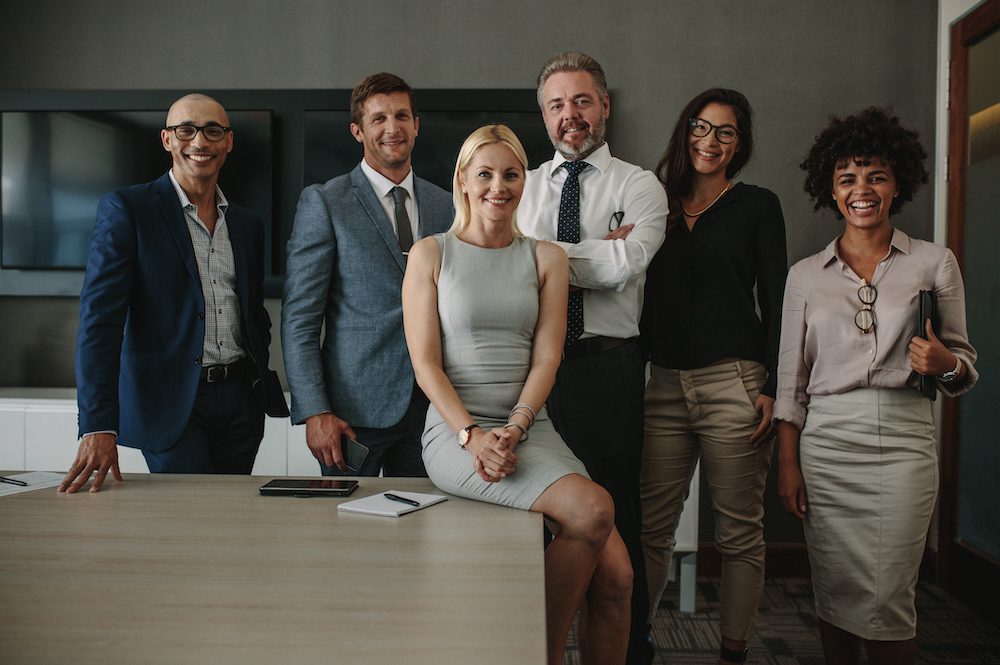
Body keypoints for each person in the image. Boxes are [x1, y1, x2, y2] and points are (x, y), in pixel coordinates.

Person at [403, 124, 633, 665]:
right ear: (463, 180)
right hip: (455, 433)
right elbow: (425, 365)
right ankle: (542, 656)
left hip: (530, 427)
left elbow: (547, 358)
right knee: (595, 508)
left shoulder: (547, 258)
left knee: (619, 577)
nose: (498, 186)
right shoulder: (430, 254)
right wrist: (473, 435)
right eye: (484, 174)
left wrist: (517, 426)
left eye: (510, 174)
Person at [776, 107, 978, 665]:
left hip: (905, 441)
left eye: (876, 176)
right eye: (847, 178)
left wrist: (943, 363)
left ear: (897, 185)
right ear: (831, 191)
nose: (861, 189)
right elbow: (791, 381)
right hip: (827, 443)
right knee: (834, 588)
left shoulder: (935, 262)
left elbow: (965, 367)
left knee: (889, 599)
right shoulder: (804, 276)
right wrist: (788, 463)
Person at [518, 51, 668, 665]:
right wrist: (585, 256)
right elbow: (504, 269)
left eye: (581, 101)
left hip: (609, 370)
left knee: (616, 515)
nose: (570, 115)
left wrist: (542, 259)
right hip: (534, 376)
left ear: (605, 106)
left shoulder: (639, 184)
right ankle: (534, 651)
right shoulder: (519, 186)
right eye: (556, 105)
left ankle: (627, 653)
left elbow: (626, 264)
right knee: (535, 522)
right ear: (544, 117)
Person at [62, 93, 287, 493]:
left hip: (240, 403)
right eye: (186, 130)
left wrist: (255, 383)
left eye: (213, 130)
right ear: (167, 139)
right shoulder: (128, 209)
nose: (200, 142)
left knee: (234, 521)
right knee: (190, 523)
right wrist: (97, 424)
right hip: (171, 403)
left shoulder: (247, 224)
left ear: (228, 142)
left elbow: (253, 313)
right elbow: (100, 323)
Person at [639, 89, 787, 664]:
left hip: (736, 385)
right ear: (685, 131)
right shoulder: (654, 201)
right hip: (664, 385)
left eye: (726, 132)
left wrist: (775, 386)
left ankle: (733, 653)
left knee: (738, 534)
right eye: (702, 127)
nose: (711, 140)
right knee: (651, 532)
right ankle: (635, 644)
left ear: (740, 143)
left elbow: (777, 301)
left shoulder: (757, 205)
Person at [282, 73, 452, 477]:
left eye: (401, 116)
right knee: (346, 535)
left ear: (416, 125)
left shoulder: (447, 203)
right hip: (353, 414)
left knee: (423, 529)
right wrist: (315, 411)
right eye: (378, 119)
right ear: (357, 130)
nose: (392, 128)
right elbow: (300, 320)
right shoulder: (325, 202)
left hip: (434, 408)